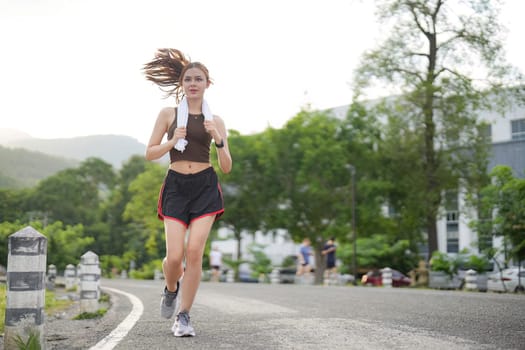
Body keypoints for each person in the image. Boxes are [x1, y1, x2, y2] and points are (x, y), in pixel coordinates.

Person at [143, 48, 232, 337]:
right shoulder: (169, 115)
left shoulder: (215, 121)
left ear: (208, 84)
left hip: (205, 186)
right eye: (188, 79)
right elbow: (149, 153)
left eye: (199, 79)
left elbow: (227, 166)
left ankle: (184, 315)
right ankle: (171, 289)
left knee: (194, 253)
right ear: (182, 85)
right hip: (176, 188)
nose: (193, 83)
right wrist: (172, 142)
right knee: (174, 257)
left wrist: (219, 140)